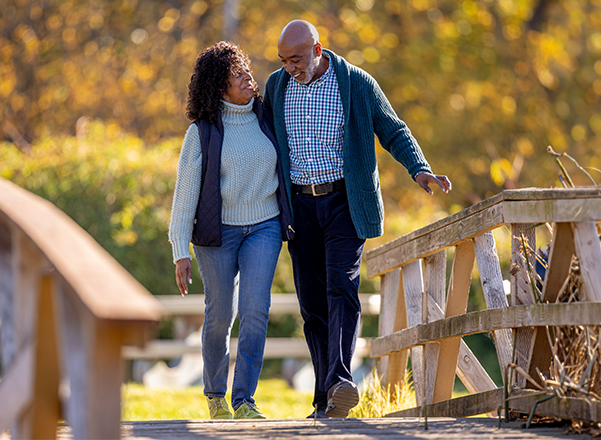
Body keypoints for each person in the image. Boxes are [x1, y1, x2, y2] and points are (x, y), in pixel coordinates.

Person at [262, 20, 451, 419]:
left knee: (341, 289)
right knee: (312, 306)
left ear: (317, 50)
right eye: (283, 60)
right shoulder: (277, 87)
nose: (289, 67)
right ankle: (324, 398)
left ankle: (340, 381)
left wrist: (420, 169)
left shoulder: (357, 83)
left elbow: (393, 130)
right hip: (300, 208)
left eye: (296, 59)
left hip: (345, 203)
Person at [168, 41, 293, 420]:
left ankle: (244, 401)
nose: (247, 78)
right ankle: (215, 396)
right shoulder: (202, 133)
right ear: (218, 86)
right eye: (236, 75)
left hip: (264, 227)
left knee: (255, 312)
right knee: (220, 315)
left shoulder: (266, 117)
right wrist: (180, 250)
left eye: (246, 70)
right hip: (217, 235)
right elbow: (185, 195)